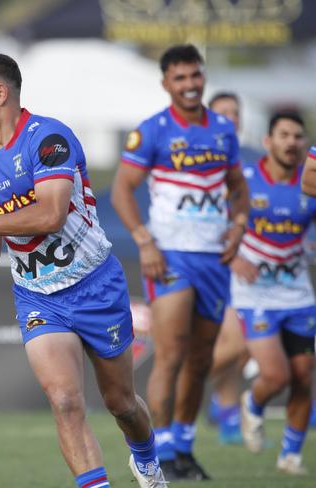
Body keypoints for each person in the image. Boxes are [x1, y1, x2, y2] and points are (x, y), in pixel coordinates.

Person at [0, 52, 166, 488]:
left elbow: (51, 215)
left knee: (121, 403)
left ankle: (147, 461)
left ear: (0, 92)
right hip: (39, 297)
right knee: (64, 400)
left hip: (96, 286)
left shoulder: (49, 138)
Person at [111, 44, 250, 481]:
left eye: (195, 76)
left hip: (214, 257)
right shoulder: (152, 131)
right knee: (170, 354)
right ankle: (161, 449)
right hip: (171, 257)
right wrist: (145, 242)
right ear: (166, 83)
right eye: (180, 78)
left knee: (201, 359)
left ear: (202, 78)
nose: (190, 85)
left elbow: (237, 187)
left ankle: (185, 449)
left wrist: (239, 225)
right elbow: (121, 191)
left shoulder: (224, 130)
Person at [236, 112, 314, 475]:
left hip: (297, 293)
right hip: (257, 296)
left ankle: (291, 456)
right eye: (284, 135)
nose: (291, 142)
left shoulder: (309, 185)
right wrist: (234, 257)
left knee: (303, 375)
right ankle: (252, 404)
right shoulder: (246, 180)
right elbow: (217, 222)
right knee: (277, 375)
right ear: (267, 141)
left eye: (298, 136)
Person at [206, 91, 263, 444]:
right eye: (222, 112)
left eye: (235, 112)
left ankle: (226, 412)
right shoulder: (203, 163)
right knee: (239, 342)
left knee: (241, 348)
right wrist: (231, 255)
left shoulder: (251, 164)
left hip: (248, 271)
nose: (231, 118)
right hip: (212, 267)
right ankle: (178, 386)